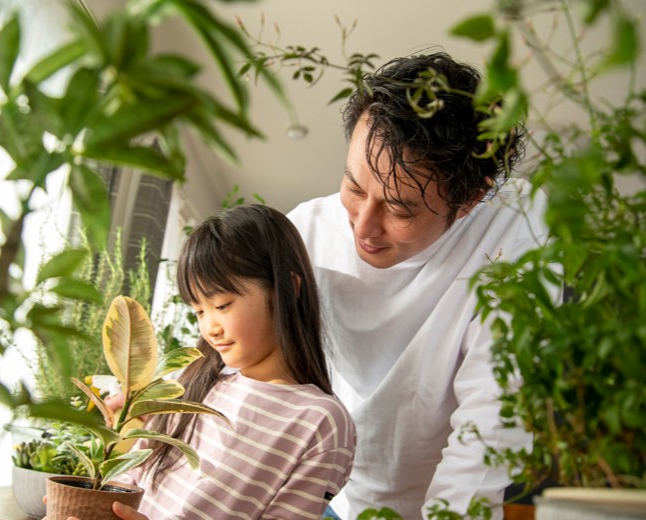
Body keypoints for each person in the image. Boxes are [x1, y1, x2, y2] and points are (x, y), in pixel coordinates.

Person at [286, 51, 549, 519]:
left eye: (400, 210)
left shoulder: (516, 226)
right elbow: (231, 357)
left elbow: (494, 410)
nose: (363, 228)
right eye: (354, 188)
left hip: (443, 497)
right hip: (323, 494)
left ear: (471, 198)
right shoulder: (305, 232)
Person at [84, 204, 356, 520]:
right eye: (199, 310)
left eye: (222, 304)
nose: (210, 328)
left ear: (287, 289)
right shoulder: (193, 381)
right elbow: (130, 478)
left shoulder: (320, 422)